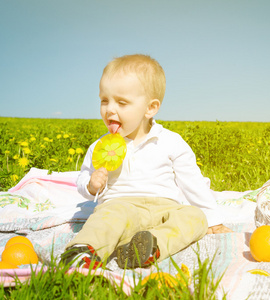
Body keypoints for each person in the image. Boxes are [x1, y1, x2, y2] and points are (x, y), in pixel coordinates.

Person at [62, 54, 231, 269]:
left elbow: (193, 183)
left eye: (122, 102)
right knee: (106, 217)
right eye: (104, 100)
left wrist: (213, 219)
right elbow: (84, 178)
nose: (109, 109)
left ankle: (149, 246)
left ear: (150, 108)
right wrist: (91, 185)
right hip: (121, 206)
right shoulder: (100, 146)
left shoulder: (171, 141)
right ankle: (83, 251)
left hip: (165, 210)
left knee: (195, 217)